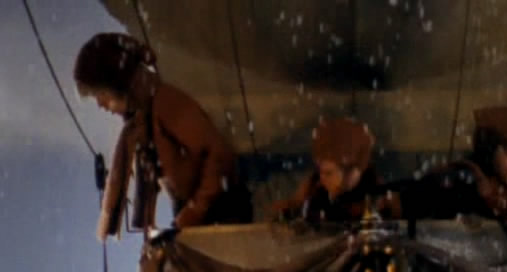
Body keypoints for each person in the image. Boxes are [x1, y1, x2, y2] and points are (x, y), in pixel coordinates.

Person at [73, 33, 252, 241]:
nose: (100, 105)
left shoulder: (166, 104)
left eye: (101, 95)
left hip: (222, 218)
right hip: (203, 221)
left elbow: (218, 154)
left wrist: (193, 213)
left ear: (120, 86)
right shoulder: (142, 124)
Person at [402, 106, 507, 249]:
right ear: (490, 150)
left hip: (505, 266)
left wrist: (501, 205)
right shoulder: (457, 180)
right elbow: (416, 218)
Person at [271, 117, 399, 222]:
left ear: (353, 171)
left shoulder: (376, 191)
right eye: (320, 171)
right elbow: (292, 207)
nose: (322, 178)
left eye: (328, 173)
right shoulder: (314, 185)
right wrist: (287, 211)